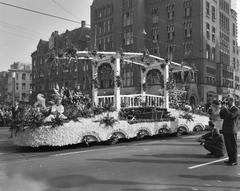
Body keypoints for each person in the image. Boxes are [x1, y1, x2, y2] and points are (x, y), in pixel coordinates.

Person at [219, 97, 239, 166]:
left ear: (232, 101)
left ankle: (234, 160)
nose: (227, 102)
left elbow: (231, 116)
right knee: (228, 146)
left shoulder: (236, 109)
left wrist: (225, 108)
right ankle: (230, 159)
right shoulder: (227, 109)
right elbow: (221, 116)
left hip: (232, 130)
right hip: (226, 130)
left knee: (233, 146)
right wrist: (222, 108)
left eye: (228, 101)